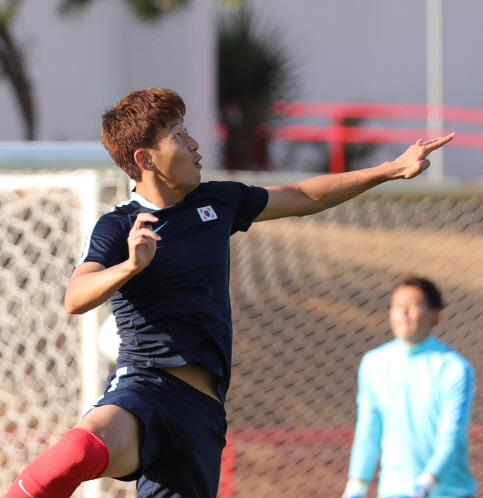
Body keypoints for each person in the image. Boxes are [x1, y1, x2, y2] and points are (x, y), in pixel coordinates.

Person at [5, 88, 454, 498]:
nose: (195, 145)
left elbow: (303, 195)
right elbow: (76, 295)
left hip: (202, 415)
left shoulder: (219, 202)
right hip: (145, 388)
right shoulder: (119, 225)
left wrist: (393, 169)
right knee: (75, 456)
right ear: (145, 159)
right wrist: (129, 266)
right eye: (179, 136)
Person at [342, 276, 477, 498]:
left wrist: (425, 484)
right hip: (394, 492)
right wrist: (356, 486)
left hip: (448, 493)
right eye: (397, 306)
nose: (403, 313)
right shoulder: (374, 363)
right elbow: (368, 429)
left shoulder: (454, 368)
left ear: (435, 313)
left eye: (413, 305)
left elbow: (451, 437)